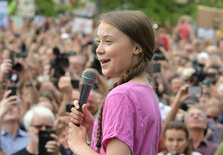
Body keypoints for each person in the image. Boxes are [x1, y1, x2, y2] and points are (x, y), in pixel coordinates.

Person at [68, 10, 162, 155]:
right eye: (99, 42)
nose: (98, 50)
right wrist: (95, 130)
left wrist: (79, 145)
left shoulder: (121, 95)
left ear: (136, 48)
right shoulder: (146, 90)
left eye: (108, 41)